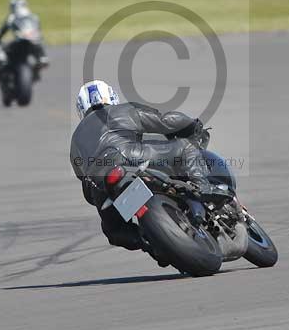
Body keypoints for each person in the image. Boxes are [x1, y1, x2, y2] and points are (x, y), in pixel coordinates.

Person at [70, 80, 225, 252]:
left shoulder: (75, 139)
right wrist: (192, 125)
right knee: (184, 147)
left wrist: (97, 193)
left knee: (114, 231)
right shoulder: (122, 110)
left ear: (81, 108)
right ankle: (202, 189)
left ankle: (148, 243)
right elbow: (165, 121)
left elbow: (84, 182)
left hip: (103, 184)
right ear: (111, 96)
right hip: (131, 158)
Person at [0, 0, 49, 68]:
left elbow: (1, 32)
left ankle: (2, 60)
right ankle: (42, 57)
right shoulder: (34, 17)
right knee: (38, 42)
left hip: (21, 41)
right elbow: (39, 32)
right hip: (32, 41)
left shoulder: (12, 17)